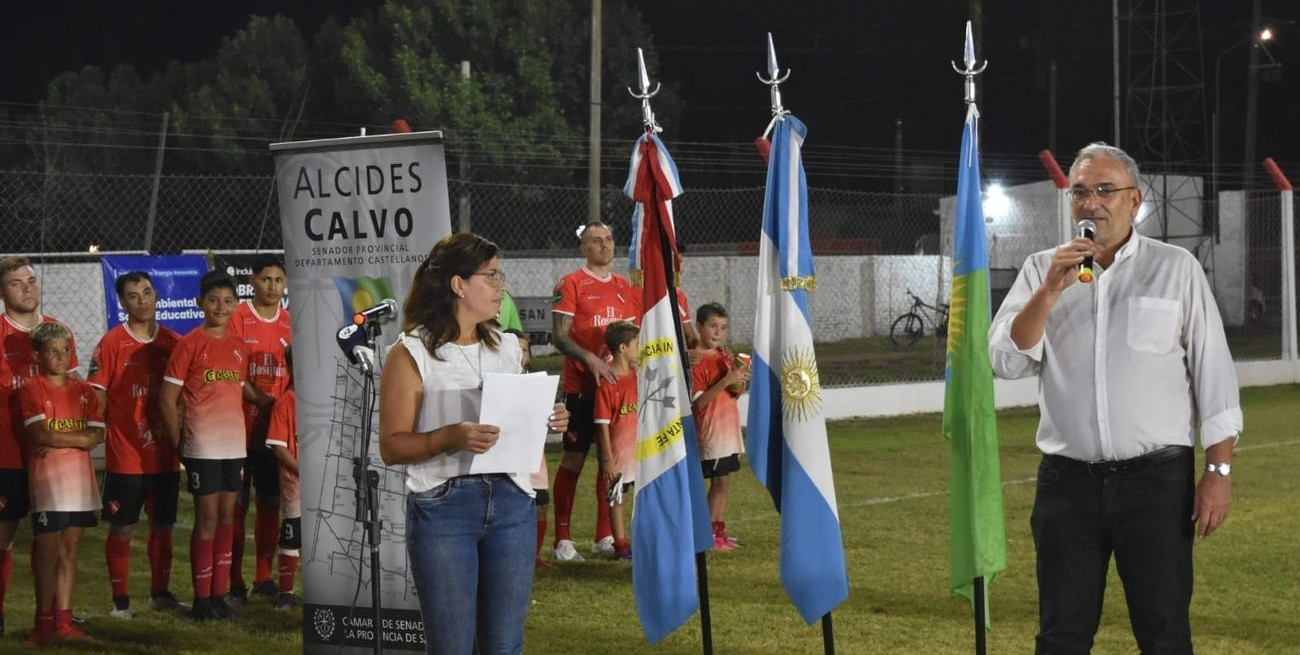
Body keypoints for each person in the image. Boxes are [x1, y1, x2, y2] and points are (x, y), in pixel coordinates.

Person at [989, 142, 1242, 654]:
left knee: (1164, 629)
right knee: (1061, 633)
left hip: (1156, 484)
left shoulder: (1176, 269)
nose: (1091, 203)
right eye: (1080, 192)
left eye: (1106, 190)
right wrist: (1050, 292)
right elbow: (1005, 360)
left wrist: (1217, 474)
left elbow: (1214, 374)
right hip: (1067, 485)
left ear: (1135, 200)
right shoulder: (1042, 269)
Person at [378, 232, 569, 654]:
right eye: (492, 275)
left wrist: (547, 419)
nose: (501, 286)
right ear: (458, 285)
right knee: (451, 647)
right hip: (442, 508)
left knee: (504, 645)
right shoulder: (411, 353)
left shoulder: (505, 347)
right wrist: (451, 436)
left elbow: (512, 421)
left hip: (513, 503)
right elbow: (391, 446)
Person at [88, 271, 184, 618]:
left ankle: (160, 594)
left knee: (163, 526)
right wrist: (95, 436)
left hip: (165, 456)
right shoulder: (112, 343)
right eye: (133, 295)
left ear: (157, 295)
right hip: (126, 456)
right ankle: (120, 602)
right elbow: (95, 396)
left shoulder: (174, 342)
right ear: (122, 302)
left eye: (146, 292)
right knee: (124, 526)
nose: (141, 300)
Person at [160, 271, 251, 621]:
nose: (221, 307)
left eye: (228, 301)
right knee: (208, 518)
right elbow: (168, 399)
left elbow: (238, 389)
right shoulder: (190, 344)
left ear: (236, 305)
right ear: (200, 303)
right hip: (203, 446)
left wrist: (271, 400)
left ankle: (218, 595)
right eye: (213, 300)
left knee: (229, 516)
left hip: (234, 446)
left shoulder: (239, 345)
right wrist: (178, 443)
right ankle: (200, 600)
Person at [550, 221, 639, 562]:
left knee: (611, 460)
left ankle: (605, 534)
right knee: (573, 460)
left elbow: (630, 341)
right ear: (583, 249)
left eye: (609, 239)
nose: (605, 245)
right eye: (596, 241)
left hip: (615, 391)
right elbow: (559, 335)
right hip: (582, 388)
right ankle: (563, 539)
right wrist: (590, 359)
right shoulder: (571, 283)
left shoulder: (624, 286)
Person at [0, 256, 78, 637]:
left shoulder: (58, 332)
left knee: (55, 538)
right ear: (2, 291)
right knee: (5, 535)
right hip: (8, 455)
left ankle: (48, 620)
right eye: (16, 283)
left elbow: (73, 389)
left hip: (54, 459)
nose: (27, 287)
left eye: (31, 280)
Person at [18, 323, 104, 646]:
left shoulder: (83, 391)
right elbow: (38, 434)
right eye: (53, 351)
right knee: (47, 554)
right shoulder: (32, 389)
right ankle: (42, 623)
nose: (61, 356)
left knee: (69, 552)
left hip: (80, 486)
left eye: (65, 350)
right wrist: (80, 440)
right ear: (37, 355)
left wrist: (62, 440)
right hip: (49, 485)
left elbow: (99, 434)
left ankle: (63, 621)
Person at [226, 255, 291, 604]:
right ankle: (234, 580)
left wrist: (281, 411)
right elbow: (233, 374)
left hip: (274, 432)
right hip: (239, 427)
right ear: (252, 281)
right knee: (237, 504)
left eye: (278, 280)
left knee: (271, 501)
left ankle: (263, 578)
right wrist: (263, 401)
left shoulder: (290, 323)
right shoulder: (238, 319)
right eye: (266, 279)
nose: (272, 286)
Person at [689, 302, 749, 551]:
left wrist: (739, 381)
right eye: (712, 326)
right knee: (718, 481)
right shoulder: (695, 362)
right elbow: (699, 402)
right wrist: (726, 381)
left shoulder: (724, 356)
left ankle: (719, 532)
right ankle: (710, 534)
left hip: (728, 430)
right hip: (711, 432)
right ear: (699, 327)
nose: (717, 332)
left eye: (723, 328)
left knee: (723, 481)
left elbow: (733, 393)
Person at [593, 321, 640, 561]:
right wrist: (608, 460)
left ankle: (637, 541)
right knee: (617, 498)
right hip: (619, 454)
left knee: (634, 496)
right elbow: (601, 425)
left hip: (638, 452)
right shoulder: (608, 381)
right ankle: (620, 546)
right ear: (622, 348)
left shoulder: (637, 374)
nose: (639, 348)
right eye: (636, 344)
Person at [264, 346, 299, 611]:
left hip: (322, 482)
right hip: (295, 484)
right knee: (293, 534)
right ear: (289, 367)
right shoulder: (285, 403)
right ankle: (285, 593)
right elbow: (278, 447)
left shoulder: (323, 399)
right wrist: (302, 469)